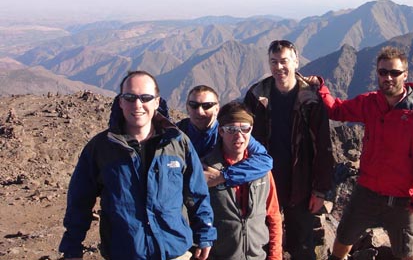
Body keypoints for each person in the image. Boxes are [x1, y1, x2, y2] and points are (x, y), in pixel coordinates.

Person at [59, 70, 216, 260]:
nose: (138, 104)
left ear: (157, 102)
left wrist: (205, 233)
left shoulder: (177, 143)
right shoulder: (101, 148)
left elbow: (197, 193)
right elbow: (79, 201)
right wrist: (72, 246)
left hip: (174, 251)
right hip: (124, 252)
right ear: (120, 101)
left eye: (146, 97)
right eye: (130, 97)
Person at [310, 46, 413, 260]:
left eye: (394, 73)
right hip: (367, 190)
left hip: (402, 198)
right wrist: (320, 89)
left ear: (405, 75)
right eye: (383, 72)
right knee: (343, 237)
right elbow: (338, 110)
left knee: (407, 250)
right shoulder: (371, 102)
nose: (388, 77)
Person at [243, 39, 334, 260]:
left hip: (300, 182)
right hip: (263, 181)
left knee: (301, 244)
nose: (278, 67)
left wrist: (320, 190)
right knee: (262, 241)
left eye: (284, 61)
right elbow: (242, 135)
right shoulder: (257, 96)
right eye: (273, 62)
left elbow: (323, 146)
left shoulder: (311, 99)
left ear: (295, 61)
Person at [202, 101, 283, 260]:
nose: (238, 135)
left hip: (257, 256)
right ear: (220, 131)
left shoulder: (262, 171)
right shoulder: (206, 170)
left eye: (244, 129)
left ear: (251, 130)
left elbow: (273, 215)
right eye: (231, 129)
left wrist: (275, 256)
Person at [177, 85, 273, 187]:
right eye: (194, 105)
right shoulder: (175, 133)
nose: (199, 111)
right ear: (187, 107)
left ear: (217, 108)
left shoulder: (230, 131)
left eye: (207, 106)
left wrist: (223, 176)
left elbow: (264, 161)